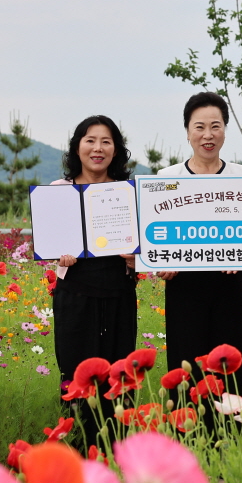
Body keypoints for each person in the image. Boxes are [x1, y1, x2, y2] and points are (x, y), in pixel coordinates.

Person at [154, 92, 242, 401]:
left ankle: (233, 431)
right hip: (184, 286)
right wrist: (160, 265)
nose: (207, 135)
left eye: (215, 126)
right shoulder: (165, 178)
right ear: (187, 131)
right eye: (199, 127)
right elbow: (156, 237)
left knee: (229, 363)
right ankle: (188, 429)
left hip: (229, 283)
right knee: (187, 365)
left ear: (225, 129)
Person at [50, 115, 137, 452]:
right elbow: (49, 244)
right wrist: (59, 253)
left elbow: (142, 248)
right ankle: (76, 447)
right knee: (74, 371)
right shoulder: (59, 192)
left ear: (116, 150)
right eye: (90, 140)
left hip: (118, 291)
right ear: (77, 147)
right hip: (75, 293)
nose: (97, 148)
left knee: (119, 372)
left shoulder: (128, 193)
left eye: (106, 141)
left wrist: (135, 258)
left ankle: (118, 450)